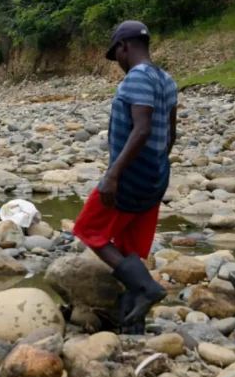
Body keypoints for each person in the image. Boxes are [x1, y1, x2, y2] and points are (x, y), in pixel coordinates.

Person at [73, 21, 178, 334]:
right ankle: (132, 327)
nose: (117, 62)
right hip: (156, 179)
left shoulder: (136, 79)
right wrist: (156, 165)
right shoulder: (167, 80)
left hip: (129, 180)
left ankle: (148, 288)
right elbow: (171, 134)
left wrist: (113, 176)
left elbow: (142, 129)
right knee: (130, 247)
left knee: (88, 230)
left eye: (116, 54)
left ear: (124, 47)